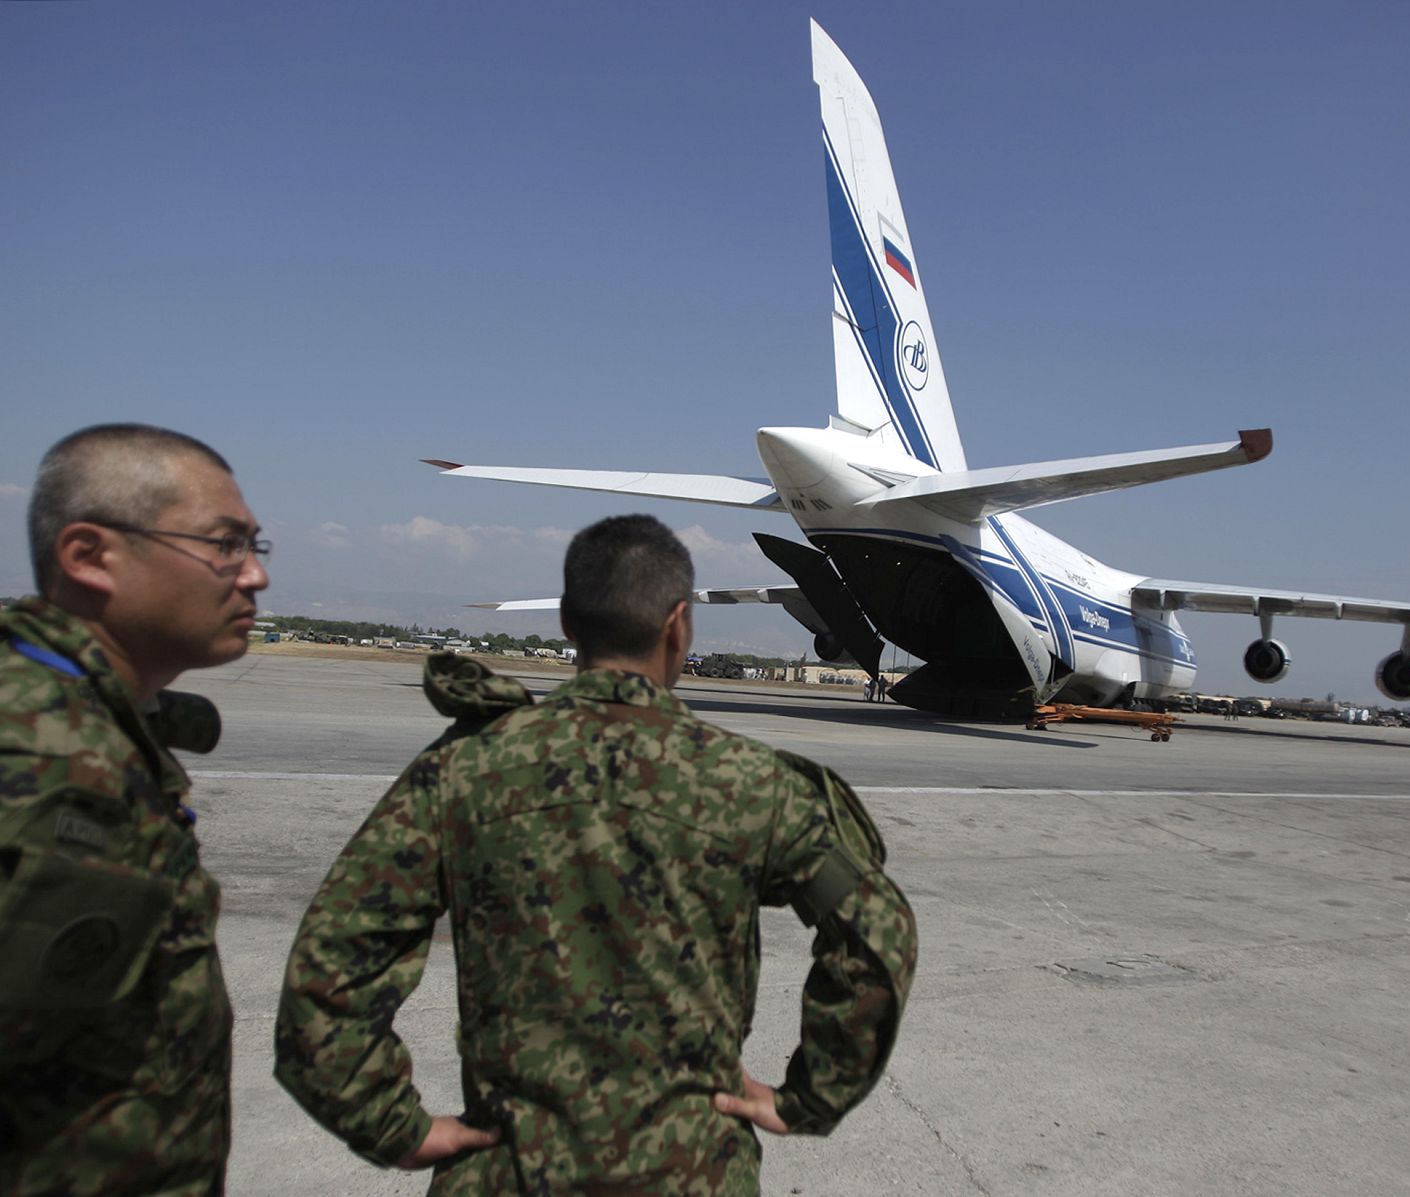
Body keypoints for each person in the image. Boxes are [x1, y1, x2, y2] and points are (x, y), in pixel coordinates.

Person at [275, 514, 917, 1195]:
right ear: (679, 625)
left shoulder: (467, 769)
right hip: (695, 1171)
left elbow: (328, 971)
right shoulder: (748, 781)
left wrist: (393, 1125)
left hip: (509, 1170)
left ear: (567, 624)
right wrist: (807, 1097)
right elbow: (877, 928)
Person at [0, 423, 271, 1195]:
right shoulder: (32, 754)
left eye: (256, 546)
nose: (253, 575)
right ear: (89, 555)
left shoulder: (100, 728)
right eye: (223, 544)